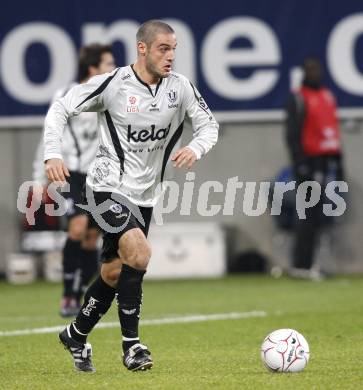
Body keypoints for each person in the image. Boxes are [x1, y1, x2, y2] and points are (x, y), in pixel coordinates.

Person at [43, 20, 219, 372]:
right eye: (163, 49)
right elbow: (61, 108)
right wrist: (52, 153)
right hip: (106, 187)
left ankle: (76, 335)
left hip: (146, 195)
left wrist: (196, 148)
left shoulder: (180, 88)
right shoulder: (114, 84)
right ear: (142, 48)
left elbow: (209, 125)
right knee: (139, 253)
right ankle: (132, 347)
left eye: (174, 49)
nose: (170, 57)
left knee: (112, 273)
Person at [34, 44, 116, 316]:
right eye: (108, 64)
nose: (113, 69)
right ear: (93, 68)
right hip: (71, 173)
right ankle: (68, 294)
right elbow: (50, 134)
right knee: (77, 229)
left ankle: (80, 291)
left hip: (100, 177)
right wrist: (39, 177)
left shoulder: (111, 96)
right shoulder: (66, 95)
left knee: (92, 239)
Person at [285, 57, 344, 280]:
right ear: (303, 73)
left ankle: (311, 263)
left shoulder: (327, 96)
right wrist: (299, 162)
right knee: (307, 213)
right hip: (308, 162)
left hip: (325, 160)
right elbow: (292, 133)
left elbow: (332, 130)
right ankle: (301, 264)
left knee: (318, 215)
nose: (315, 74)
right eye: (310, 70)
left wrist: (339, 163)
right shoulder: (298, 97)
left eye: (317, 69)